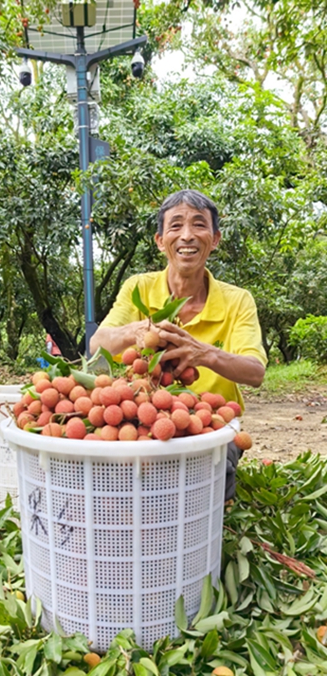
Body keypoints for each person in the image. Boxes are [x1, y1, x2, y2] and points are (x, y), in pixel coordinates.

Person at [90, 189, 266, 500]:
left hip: (211, 427)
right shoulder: (139, 287)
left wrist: (203, 353)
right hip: (142, 417)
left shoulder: (238, 300)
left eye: (199, 225)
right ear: (160, 241)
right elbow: (98, 344)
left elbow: (255, 372)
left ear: (215, 239)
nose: (187, 235)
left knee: (207, 482)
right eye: (175, 226)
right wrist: (144, 330)